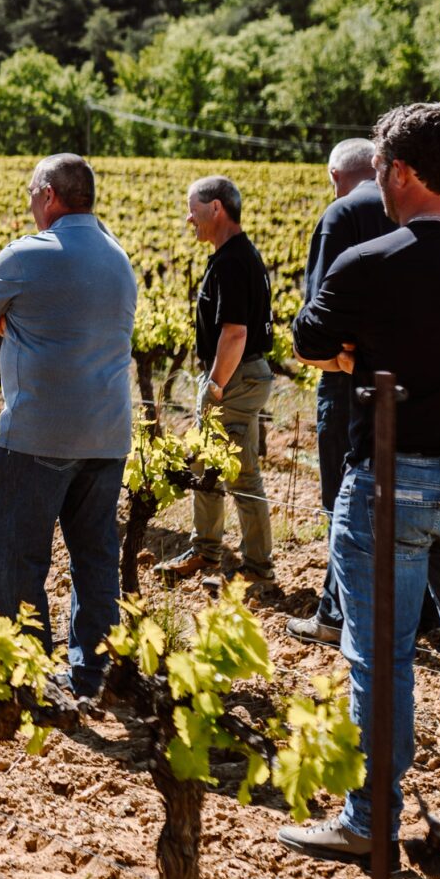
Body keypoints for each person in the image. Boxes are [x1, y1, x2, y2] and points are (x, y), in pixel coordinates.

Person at [280, 102, 440, 859]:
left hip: (393, 477)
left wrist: (366, 355)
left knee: (379, 653)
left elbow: (307, 338)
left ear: (403, 171)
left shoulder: (371, 260)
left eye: (384, 169)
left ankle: (371, 815)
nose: (378, 183)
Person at [0, 154, 136, 702]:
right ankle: (91, 672)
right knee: (96, 555)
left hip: (37, 432)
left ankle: (26, 672)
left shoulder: (29, 254)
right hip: (107, 434)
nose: (29, 202)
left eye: (33, 192)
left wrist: (12, 322)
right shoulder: (119, 256)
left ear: (51, 195)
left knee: (14, 553)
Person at [287, 140, 386, 643]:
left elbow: (320, 316)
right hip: (402, 382)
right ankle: (412, 614)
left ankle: (336, 614)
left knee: (343, 500)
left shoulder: (341, 215)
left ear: (334, 174)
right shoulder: (409, 207)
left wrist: (345, 359)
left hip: (348, 379)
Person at [158, 176, 276, 585]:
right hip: (236, 374)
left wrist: (215, 385)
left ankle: (258, 568)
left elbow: (236, 332)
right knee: (205, 463)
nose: (188, 217)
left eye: (193, 208)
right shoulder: (234, 255)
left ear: (217, 208)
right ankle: (206, 551)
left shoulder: (232, 261)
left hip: (235, 376)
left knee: (241, 472)